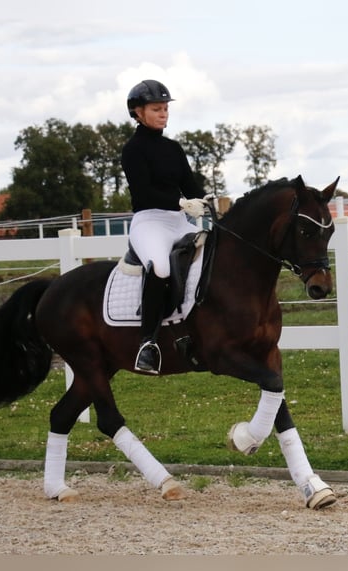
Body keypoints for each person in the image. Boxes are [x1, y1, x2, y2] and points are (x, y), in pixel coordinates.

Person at [121, 79, 207, 375]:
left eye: (166, 108)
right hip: (150, 222)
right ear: (138, 112)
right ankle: (148, 343)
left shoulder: (173, 148)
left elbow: (190, 184)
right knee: (159, 267)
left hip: (178, 221)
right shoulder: (132, 150)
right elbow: (144, 192)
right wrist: (182, 202)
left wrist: (206, 199)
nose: (164, 114)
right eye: (157, 109)